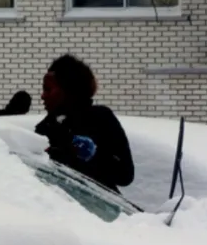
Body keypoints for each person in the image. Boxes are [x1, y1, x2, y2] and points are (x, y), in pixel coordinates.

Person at [35, 54, 134, 193]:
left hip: (100, 209)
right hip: (56, 209)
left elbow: (125, 176)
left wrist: (94, 155)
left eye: (48, 89)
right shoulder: (46, 127)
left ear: (69, 90)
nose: (42, 96)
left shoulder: (101, 118)